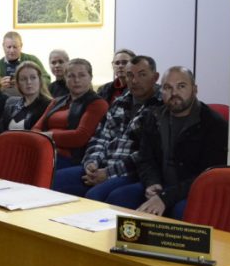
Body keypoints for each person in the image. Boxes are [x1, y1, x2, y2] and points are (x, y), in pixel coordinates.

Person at [106, 66, 228, 218]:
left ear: (195, 89)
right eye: (168, 88)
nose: (174, 93)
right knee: (118, 198)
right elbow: (145, 158)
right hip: (159, 184)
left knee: (180, 212)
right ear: (161, 90)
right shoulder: (153, 116)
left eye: (181, 86)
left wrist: (166, 197)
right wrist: (152, 182)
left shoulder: (214, 124)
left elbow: (207, 174)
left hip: (191, 189)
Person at [52, 54, 162, 199]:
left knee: (95, 195)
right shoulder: (119, 102)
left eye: (142, 75)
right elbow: (100, 137)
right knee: (54, 180)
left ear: (155, 77)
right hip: (101, 166)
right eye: (130, 75)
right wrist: (91, 163)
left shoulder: (161, 106)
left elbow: (146, 154)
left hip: (132, 171)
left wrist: (108, 173)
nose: (134, 81)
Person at [33, 58, 108, 169]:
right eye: (71, 76)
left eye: (82, 75)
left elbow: (80, 137)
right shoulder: (56, 102)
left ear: (90, 77)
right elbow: (36, 129)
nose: (76, 80)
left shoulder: (98, 103)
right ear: (65, 79)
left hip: (71, 158)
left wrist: (49, 136)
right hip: (44, 150)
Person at [0, 30, 45, 96]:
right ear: (3, 46)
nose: (12, 50)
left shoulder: (32, 60)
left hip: (29, 98)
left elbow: (46, 78)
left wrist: (30, 83)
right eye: (9, 47)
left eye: (15, 47)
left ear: (21, 46)